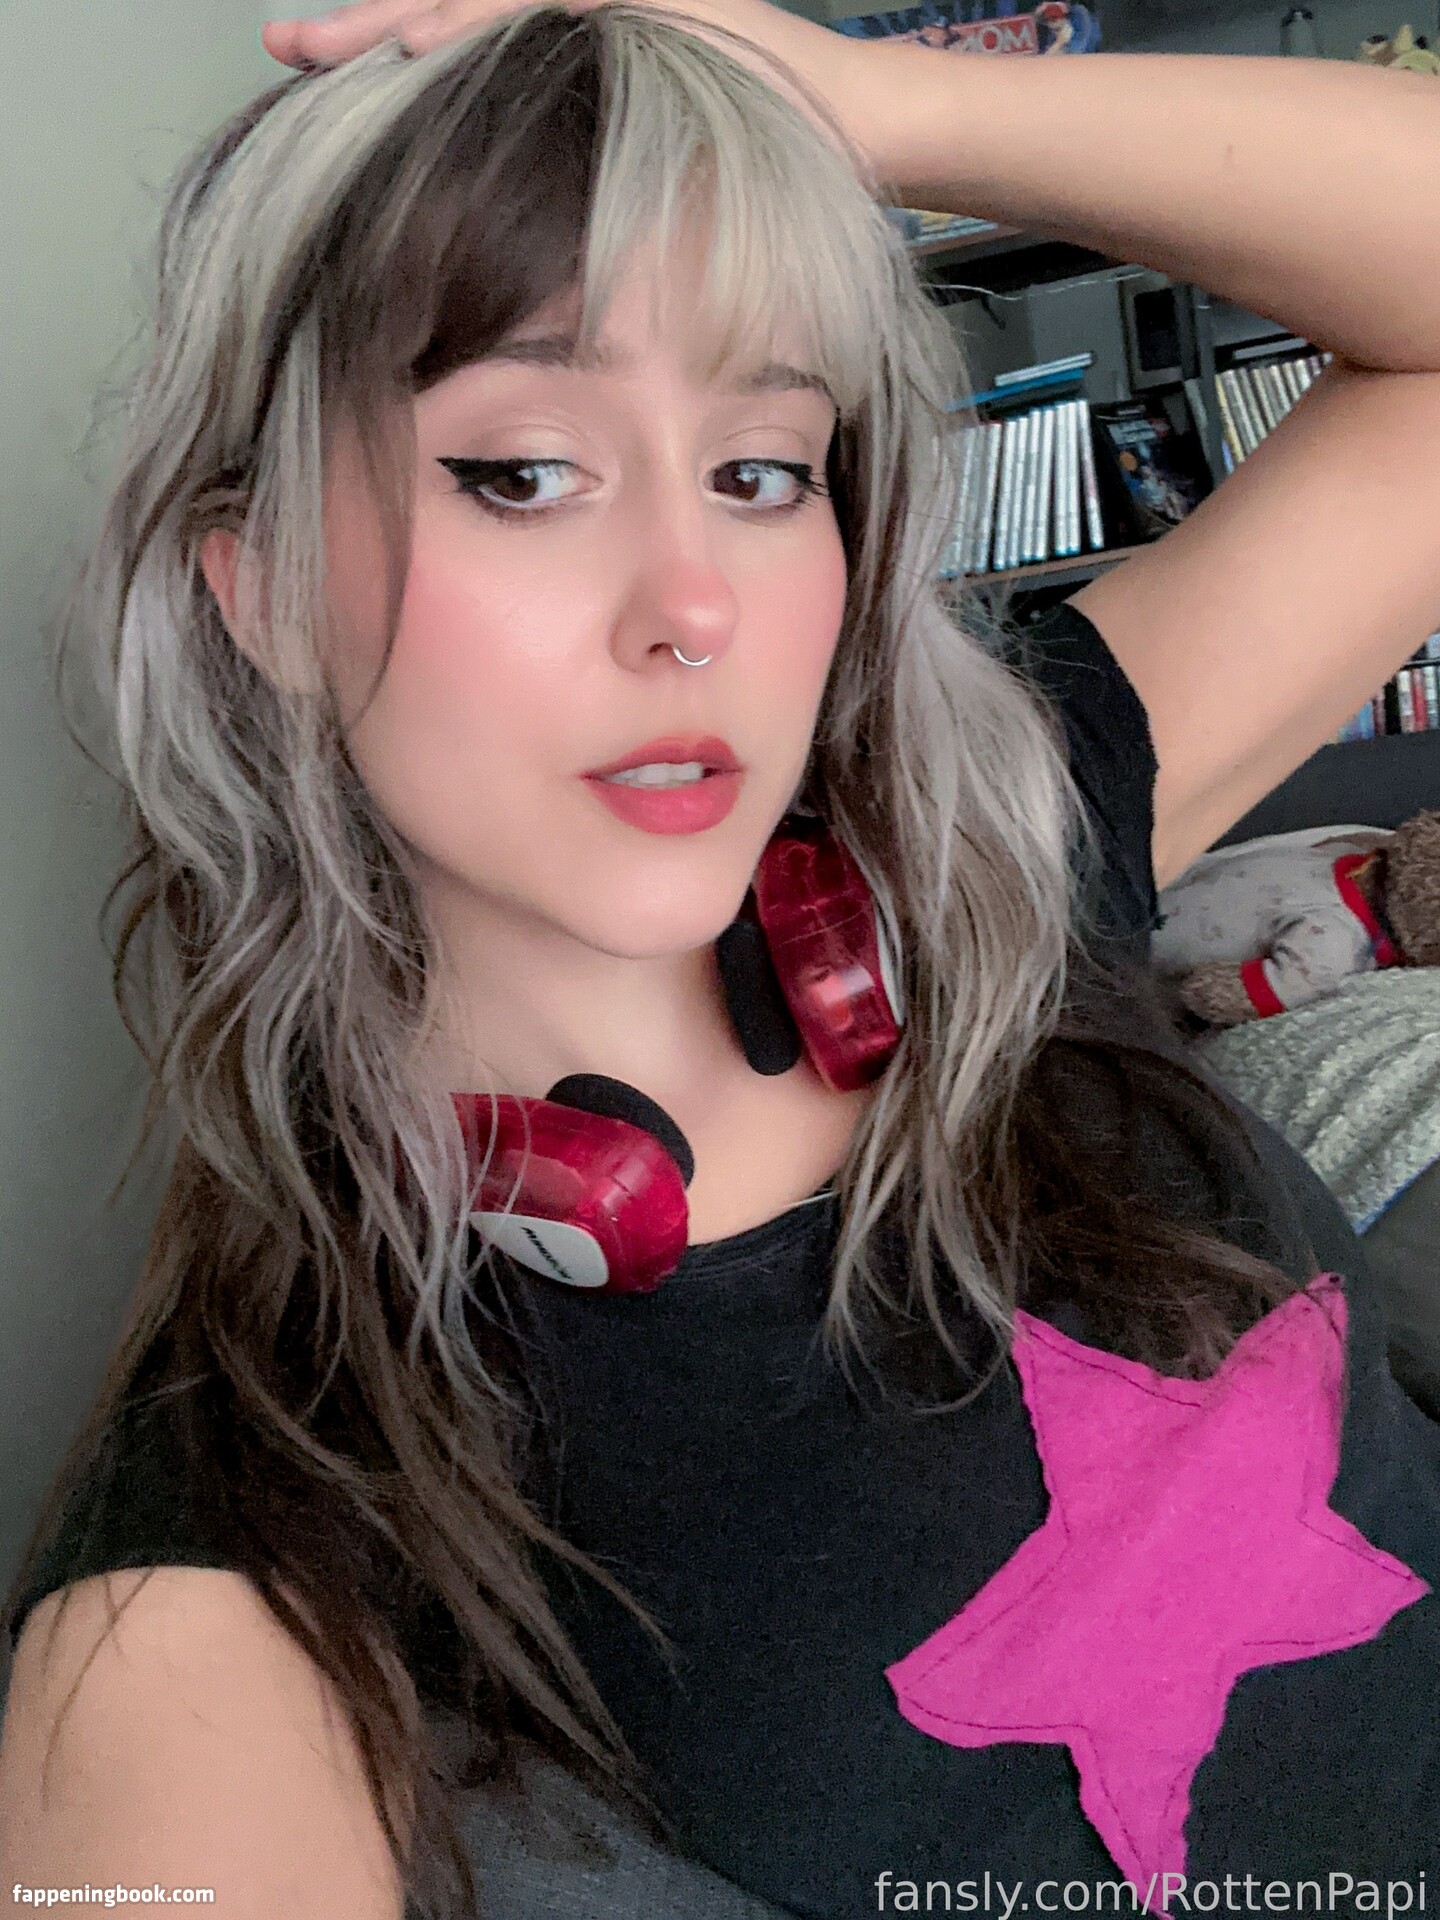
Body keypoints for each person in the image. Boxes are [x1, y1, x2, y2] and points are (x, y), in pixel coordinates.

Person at [2, 3, 1440, 1914]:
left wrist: (869, 102)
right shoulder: (219, 1607)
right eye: (523, 471)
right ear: (254, 587)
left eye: (764, 471)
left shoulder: (989, 849)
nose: (694, 605)